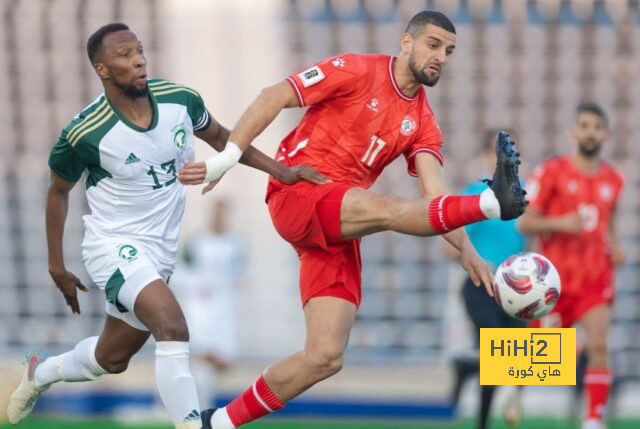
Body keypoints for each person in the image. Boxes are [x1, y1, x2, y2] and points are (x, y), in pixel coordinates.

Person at [179, 10, 528, 428]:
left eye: (449, 51)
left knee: (324, 357)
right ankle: (493, 202)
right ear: (406, 42)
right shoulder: (357, 69)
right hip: (300, 192)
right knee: (387, 209)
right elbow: (275, 94)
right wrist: (228, 156)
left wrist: (467, 250)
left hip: (339, 225)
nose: (441, 57)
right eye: (434, 45)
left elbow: (435, 196)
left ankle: (216, 422)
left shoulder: (424, 122)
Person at [6, 23, 326, 429]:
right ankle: (192, 425)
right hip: (113, 244)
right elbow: (57, 191)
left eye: (139, 50)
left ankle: (41, 373)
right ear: (103, 70)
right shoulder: (85, 133)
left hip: (160, 250)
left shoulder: (180, 100)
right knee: (172, 327)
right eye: (124, 55)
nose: (138, 59)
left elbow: (223, 138)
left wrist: (282, 170)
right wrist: (56, 265)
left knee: (112, 358)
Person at [518, 102, 625, 429]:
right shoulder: (552, 172)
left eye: (597, 126)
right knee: (538, 354)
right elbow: (524, 224)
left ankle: (593, 419)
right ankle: (511, 389)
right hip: (554, 279)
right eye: (585, 125)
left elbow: (609, 221)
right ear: (574, 131)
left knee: (599, 344)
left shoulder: (613, 180)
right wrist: (562, 223)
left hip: (595, 277)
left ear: (605, 134)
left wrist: (616, 247)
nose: (590, 132)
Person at [443, 129, 526, 429]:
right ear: (484, 157)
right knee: (498, 352)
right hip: (480, 286)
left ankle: (467, 368)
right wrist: (477, 259)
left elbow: (532, 240)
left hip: (517, 290)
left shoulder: (525, 194)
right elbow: (447, 246)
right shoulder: (473, 194)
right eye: (495, 153)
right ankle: (482, 421)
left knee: (520, 359)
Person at [176, 199, 245, 409]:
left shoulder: (236, 242)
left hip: (224, 307)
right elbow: (180, 271)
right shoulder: (197, 241)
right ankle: (193, 407)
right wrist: (196, 284)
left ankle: (203, 406)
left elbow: (240, 272)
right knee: (201, 355)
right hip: (199, 306)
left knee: (219, 360)